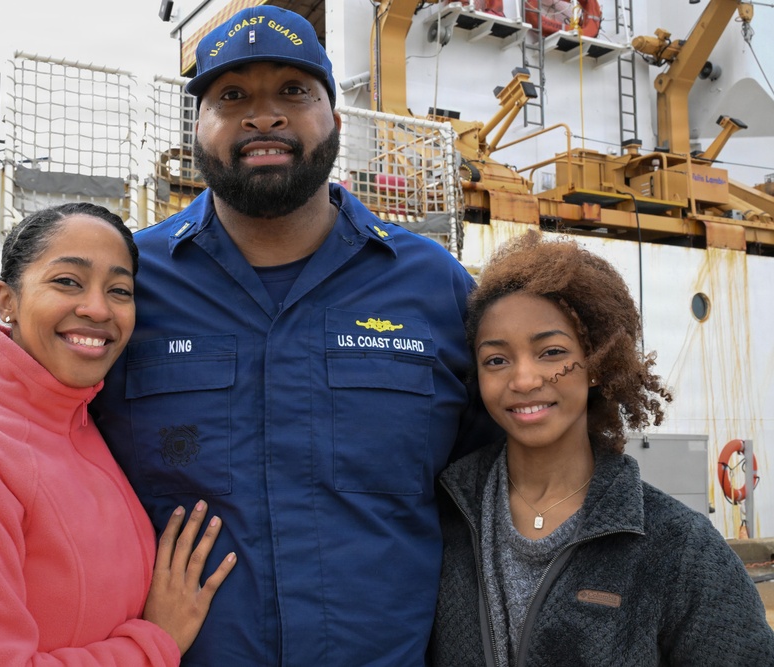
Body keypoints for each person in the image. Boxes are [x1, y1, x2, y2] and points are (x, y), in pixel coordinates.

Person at [90, 7, 496, 666]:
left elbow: (501, 482)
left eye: (293, 91)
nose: (263, 117)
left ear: (335, 118)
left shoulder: (434, 286)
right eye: (232, 96)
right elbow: (37, 440)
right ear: (197, 127)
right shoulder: (129, 285)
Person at [0, 202, 236, 666]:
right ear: (7, 300)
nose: (97, 308)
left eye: (119, 290)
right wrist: (155, 642)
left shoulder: (82, 426)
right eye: (67, 281)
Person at [429, 230, 774, 666]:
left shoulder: (678, 546)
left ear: (595, 364)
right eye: (496, 360)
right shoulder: (445, 516)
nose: (523, 379)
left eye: (551, 352)